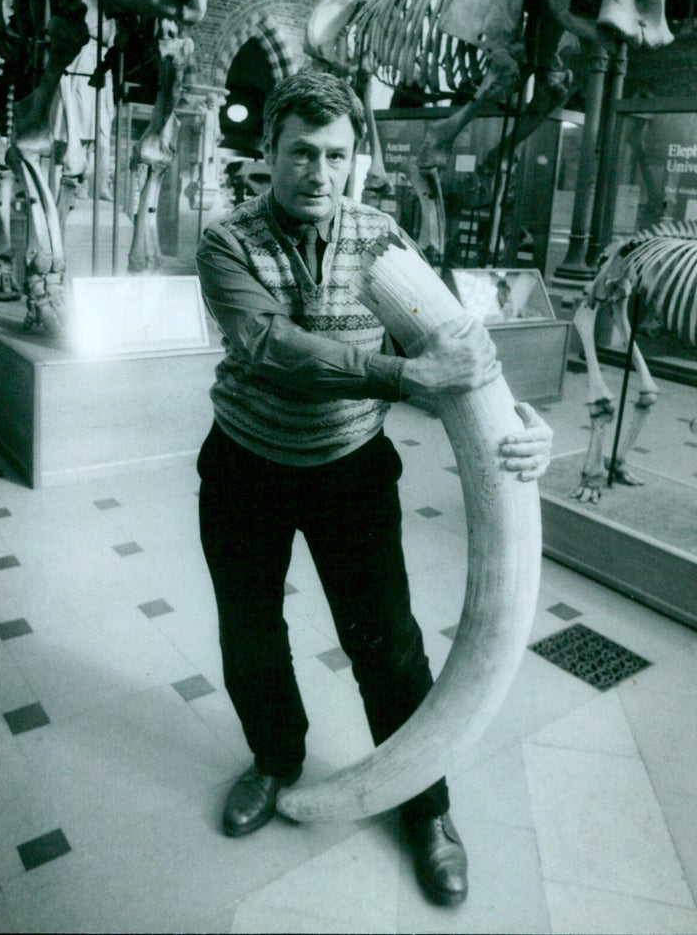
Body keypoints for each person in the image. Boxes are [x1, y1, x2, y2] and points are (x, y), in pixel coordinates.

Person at [195, 71, 552, 906]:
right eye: (300, 154)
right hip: (246, 463)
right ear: (268, 154)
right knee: (249, 632)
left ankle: (424, 806)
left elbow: (467, 351)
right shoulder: (226, 240)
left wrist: (525, 426)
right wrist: (403, 373)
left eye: (335, 155)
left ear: (353, 158)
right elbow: (267, 346)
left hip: (351, 471)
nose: (317, 173)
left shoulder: (384, 237)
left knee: (388, 641)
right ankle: (276, 757)